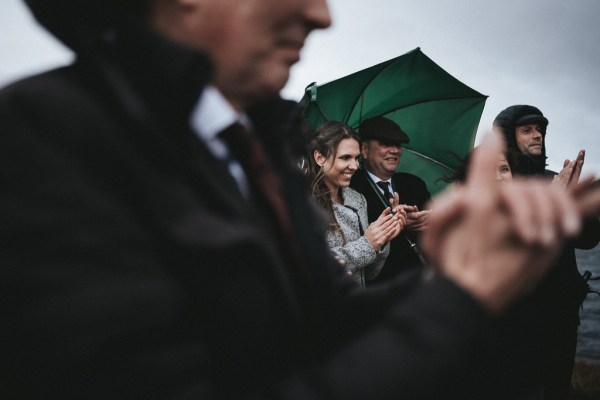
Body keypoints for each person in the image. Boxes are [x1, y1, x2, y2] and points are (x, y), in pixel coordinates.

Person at [2, 1, 600, 399]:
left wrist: (475, 260)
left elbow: (331, 317)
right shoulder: (44, 135)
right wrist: (465, 296)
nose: (320, 14)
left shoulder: (249, 145)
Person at [493, 105, 600, 399]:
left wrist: (578, 206)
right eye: (527, 130)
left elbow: (589, 240)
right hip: (517, 312)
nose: (537, 135)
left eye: (540, 129)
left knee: (557, 388)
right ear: (506, 137)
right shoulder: (498, 182)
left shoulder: (559, 179)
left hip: (562, 311)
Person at [306, 121, 405, 287]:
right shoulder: (304, 203)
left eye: (356, 158)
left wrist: (383, 237)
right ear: (319, 157)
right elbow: (312, 268)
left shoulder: (357, 199)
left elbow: (369, 274)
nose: (354, 166)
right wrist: (367, 244)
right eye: (345, 158)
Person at [350, 116, 431, 283]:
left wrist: (427, 222)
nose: (395, 150)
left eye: (398, 145)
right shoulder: (350, 186)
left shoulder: (414, 184)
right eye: (386, 144)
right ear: (364, 150)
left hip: (420, 281)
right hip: (377, 287)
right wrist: (397, 223)